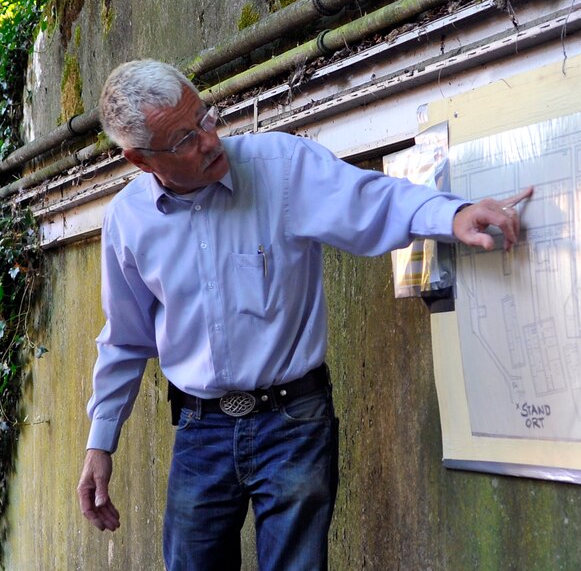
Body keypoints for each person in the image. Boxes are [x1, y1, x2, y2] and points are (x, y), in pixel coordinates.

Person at [76, 59, 532, 570]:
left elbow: (369, 201)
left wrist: (451, 213)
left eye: (205, 118)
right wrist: (101, 442)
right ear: (141, 160)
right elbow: (125, 339)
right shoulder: (127, 221)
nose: (209, 141)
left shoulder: (281, 166)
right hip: (200, 431)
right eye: (184, 139)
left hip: (294, 421)